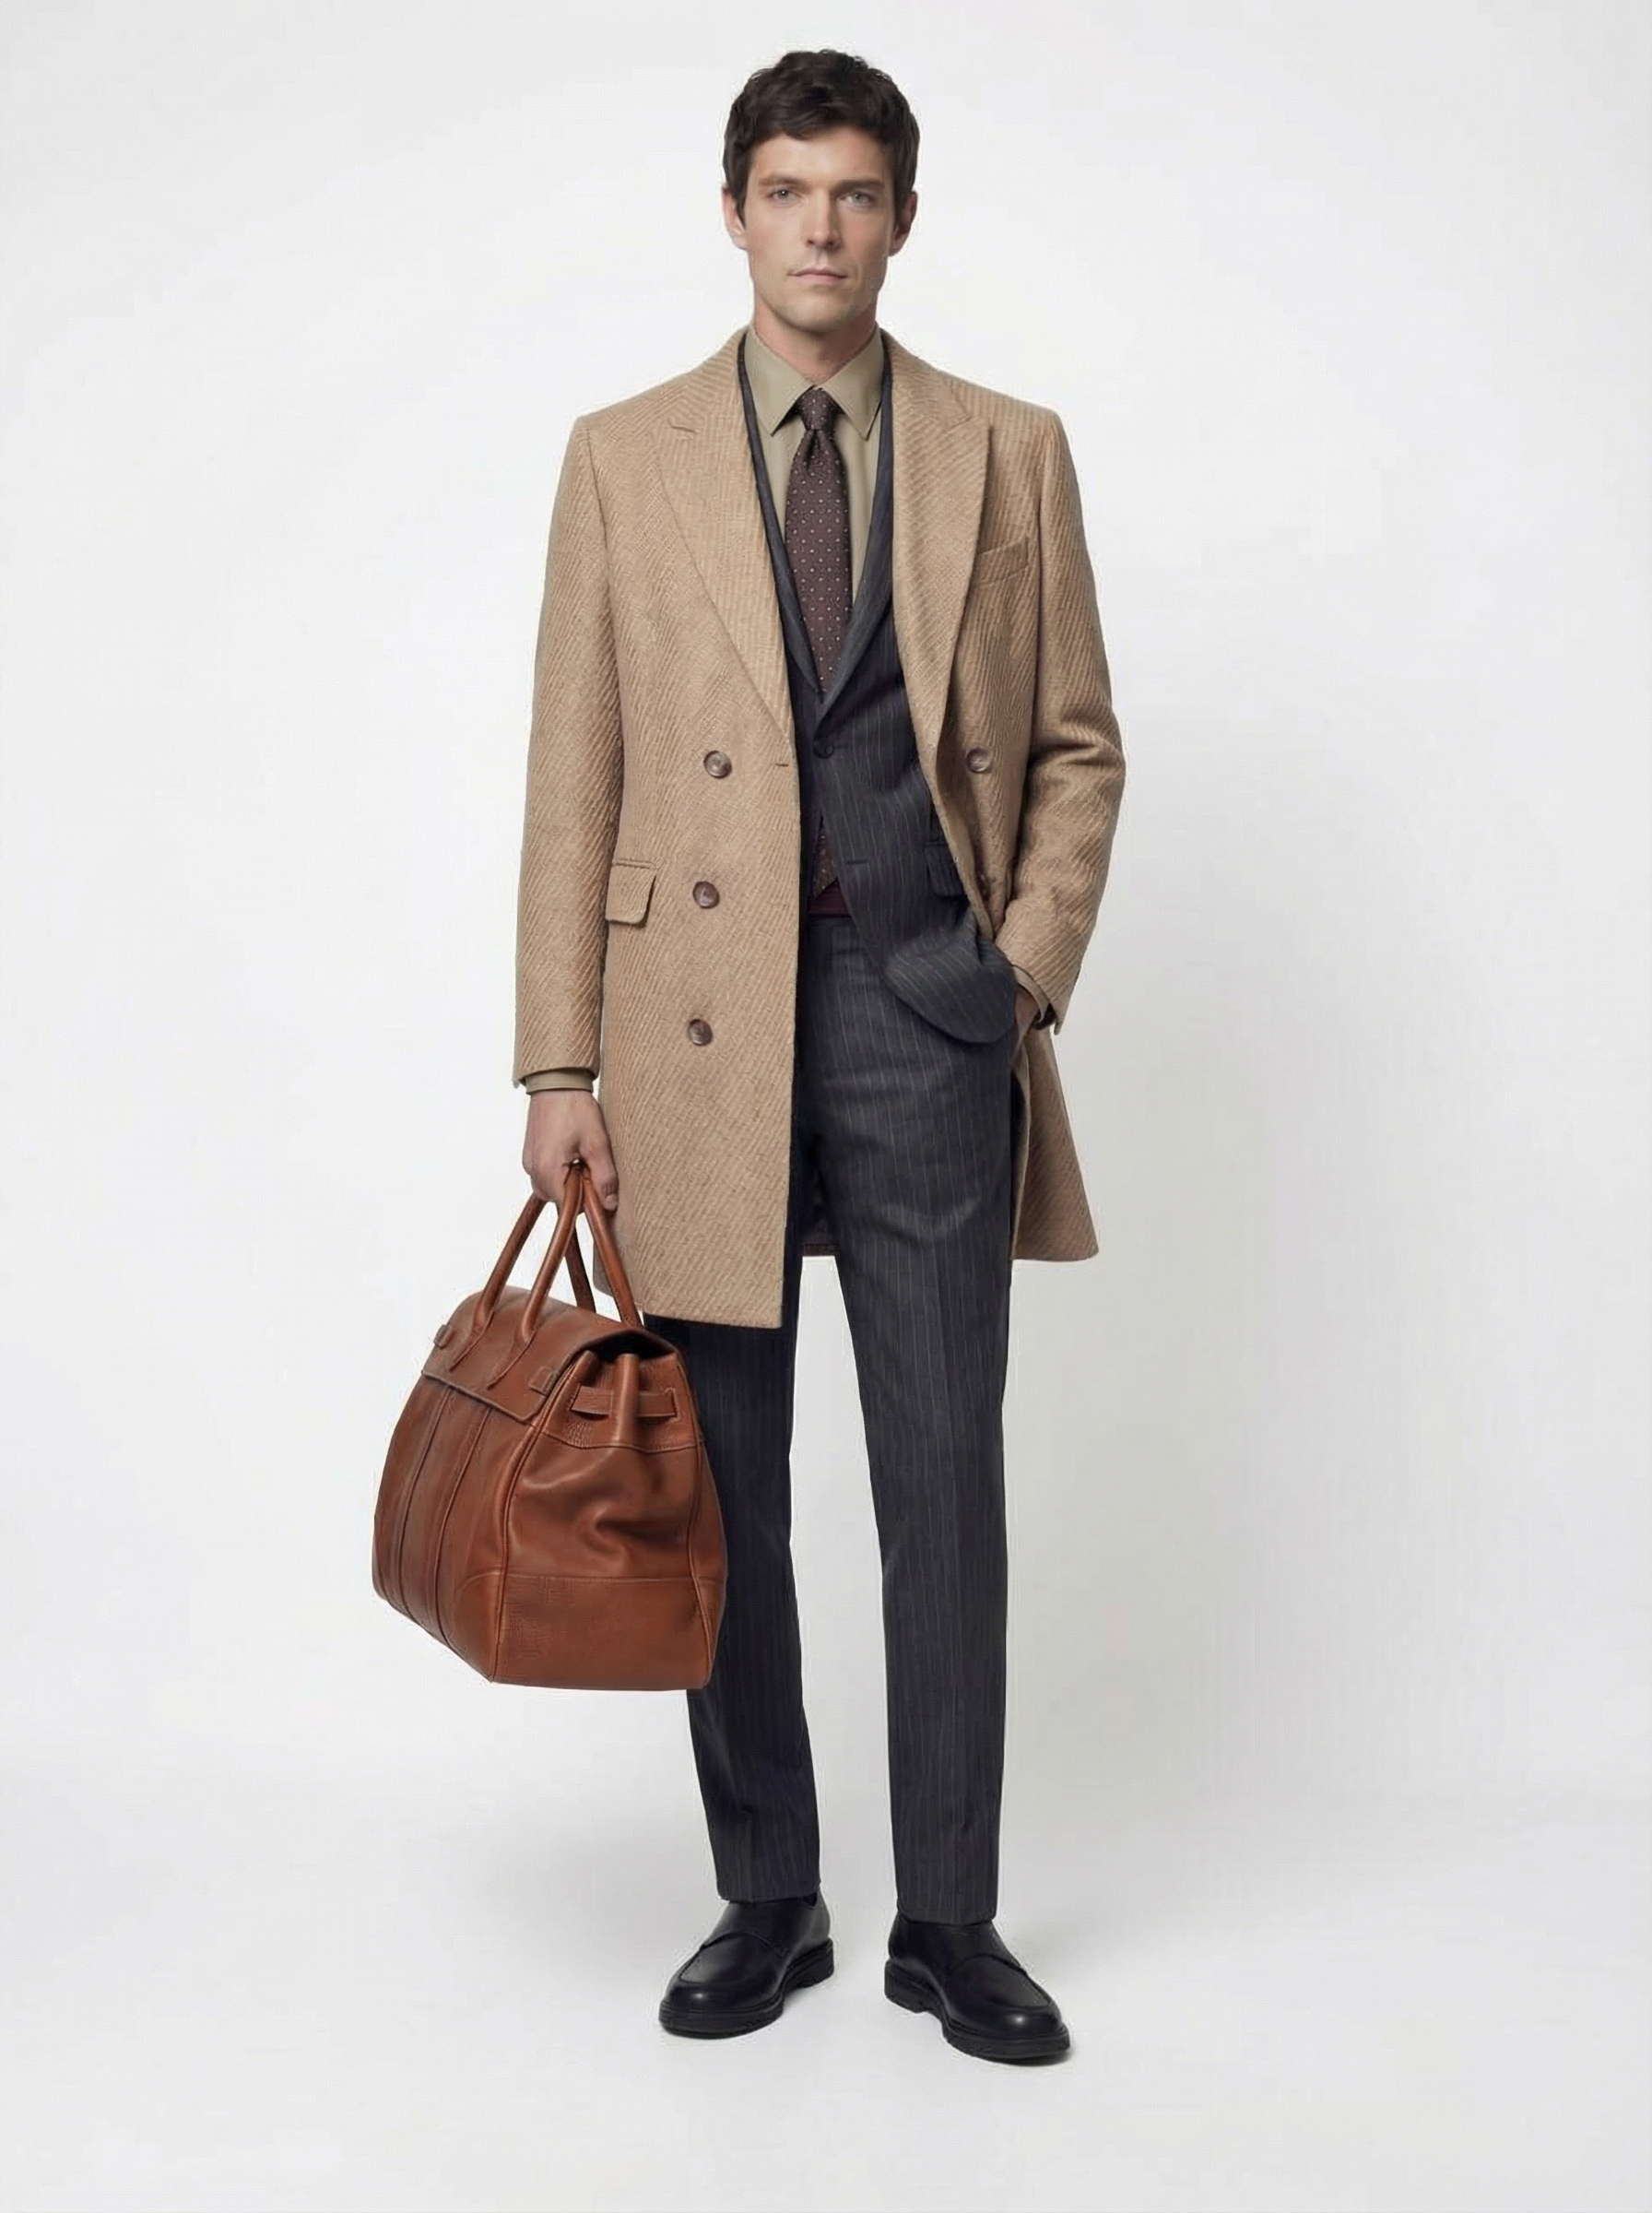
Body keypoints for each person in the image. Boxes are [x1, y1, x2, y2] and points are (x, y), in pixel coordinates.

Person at [513, 49, 1125, 2065]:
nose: (820, 228)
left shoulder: (1006, 449)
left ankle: (948, 1919)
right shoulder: (623, 455)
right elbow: (573, 770)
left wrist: (1016, 976)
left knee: (944, 1480)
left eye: (854, 193)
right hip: (687, 1037)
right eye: (786, 191)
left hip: (925, 1013)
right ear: (733, 212)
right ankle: (766, 1895)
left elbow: (1074, 745)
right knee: (723, 1489)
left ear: (902, 220)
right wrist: (557, 1064)